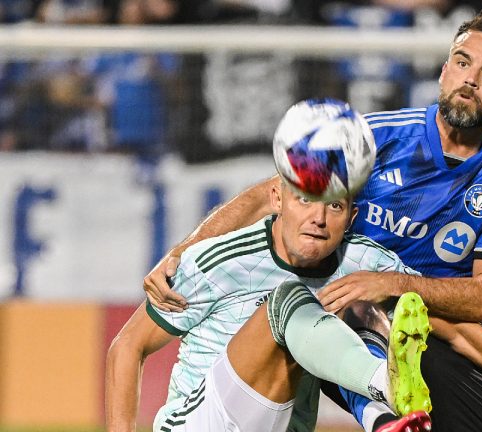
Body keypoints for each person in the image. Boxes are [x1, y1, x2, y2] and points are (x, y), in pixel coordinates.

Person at [144, 3, 482, 431]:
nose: (471, 78)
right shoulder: (376, 138)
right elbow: (267, 195)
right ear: (443, 71)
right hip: (328, 313)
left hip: (432, 332)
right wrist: (182, 254)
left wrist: (387, 284)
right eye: (463, 63)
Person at [106, 181, 433, 432]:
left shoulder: (368, 262)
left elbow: (432, 318)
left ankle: (381, 420)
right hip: (204, 421)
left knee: (369, 308)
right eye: (305, 200)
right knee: (286, 300)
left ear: (352, 216)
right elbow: (128, 345)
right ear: (278, 199)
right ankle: (383, 383)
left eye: (334, 205)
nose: (317, 218)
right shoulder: (218, 259)